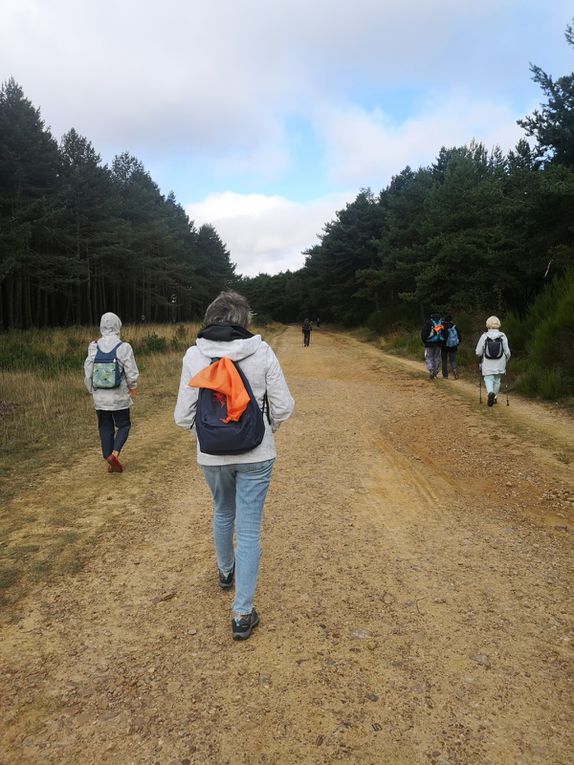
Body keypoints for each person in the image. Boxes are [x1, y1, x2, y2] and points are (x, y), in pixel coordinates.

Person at [174, 291, 294, 640]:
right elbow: (284, 407)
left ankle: (225, 572)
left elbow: (183, 417)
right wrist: (264, 429)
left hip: (211, 456)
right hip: (257, 455)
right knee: (249, 529)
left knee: (222, 511)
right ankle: (242, 613)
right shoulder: (262, 352)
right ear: (245, 321)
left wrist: (209, 434)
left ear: (209, 319)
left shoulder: (194, 356)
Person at [84, 312, 139, 473]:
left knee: (105, 427)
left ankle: (107, 455)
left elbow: (88, 370)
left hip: (100, 397)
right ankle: (114, 454)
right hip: (119, 396)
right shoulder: (124, 347)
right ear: (118, 325)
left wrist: (91, 389)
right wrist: (132, 385)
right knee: (124, 424)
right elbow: (131, 372)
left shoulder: (93, 346)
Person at [475, 315, 511, 406]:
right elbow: (507, 352)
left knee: (488, 378)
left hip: (487, 362)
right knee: (497, 379)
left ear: (488, 324)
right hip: (500, 362)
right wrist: (507, 359)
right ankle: (494, 397)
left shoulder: (484, 336)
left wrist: (480, 355)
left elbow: (478, 352)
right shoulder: (502, 336)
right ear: (498, 324)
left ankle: (490, 392)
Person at [421, 312, 445, 380]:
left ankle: (431, 370)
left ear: (432, 317)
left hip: (429, 343)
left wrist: (424, 341)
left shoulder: (428, 323)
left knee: (429, 357)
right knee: (436, 358)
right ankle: (435, 373)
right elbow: (445, 333)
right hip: (439, 343)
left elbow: (424, 333)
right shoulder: (442, 323)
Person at [441, 314, 462, 379]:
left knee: (444, 360)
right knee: (453, 360)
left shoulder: (443, 326)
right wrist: (456, 343)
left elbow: (440, 336)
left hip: (444, 346)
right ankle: (455, 370)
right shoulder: (454, 327)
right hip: (453, 346)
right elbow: (460, 337)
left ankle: (445, 376)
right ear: (451, 320)